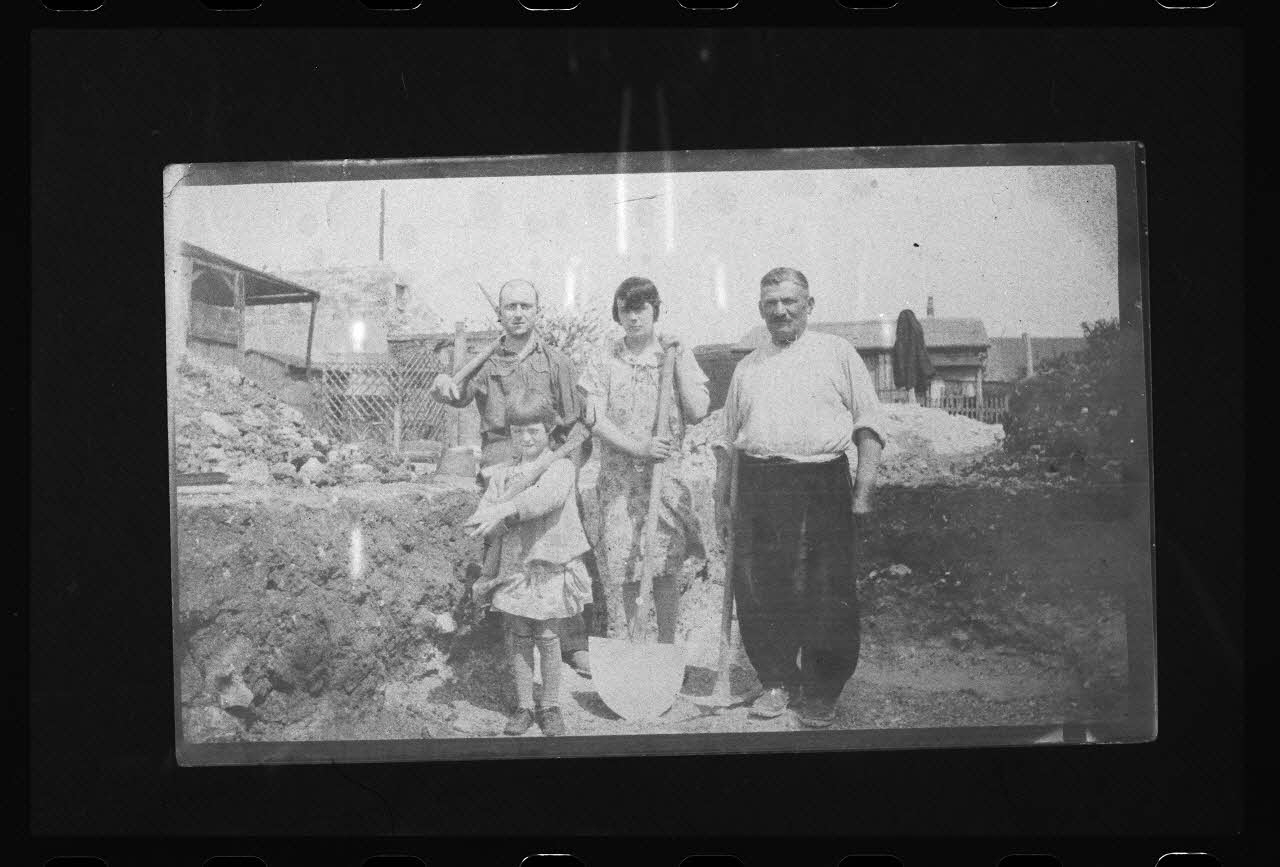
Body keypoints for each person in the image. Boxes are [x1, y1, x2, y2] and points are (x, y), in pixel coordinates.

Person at [711, 267, 887, 728]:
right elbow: (727, 441)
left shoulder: (837, 353)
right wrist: (720, 500)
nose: (781, 310)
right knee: (760, 587)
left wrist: (863, 491)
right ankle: (775, 681)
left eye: (790, 301)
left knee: (826, 591)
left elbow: (869, 424)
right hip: (758, 484)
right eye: (771, 303)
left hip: (821, 483)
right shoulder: (748, 366)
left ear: (810, 305)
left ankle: (822, 690)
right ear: (760, 309)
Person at [430, 279, 595, 676]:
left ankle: (572, 640)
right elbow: (454, 394)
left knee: (563, 546)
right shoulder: (486, 362)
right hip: (502, 459)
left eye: (525, 306)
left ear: (538, 312)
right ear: (499, 314)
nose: (518, 313)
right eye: (510, 307)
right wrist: (440, 388)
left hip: (550, 459)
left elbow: (574, 428)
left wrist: (563, 471)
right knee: (502, 544)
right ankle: (506, 637)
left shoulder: (557, 362)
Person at [578, 277, 710, 642]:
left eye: (641, 309)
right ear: (617, 313)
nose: (633, 318)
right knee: (624, 565)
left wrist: (678, 359)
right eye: (625, 310)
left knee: (665, 564)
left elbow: (698, 410)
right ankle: (629, 642)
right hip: (619, 479)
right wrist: (638, 448)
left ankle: (666, 644)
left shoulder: (675, 354)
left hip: (665, 479)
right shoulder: (605, 356)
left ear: (655, 310)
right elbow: (593, 417)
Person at [464, 392, 592, 737]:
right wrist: (484, 515)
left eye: (534, 430)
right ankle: (524, 706)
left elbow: (542, 500)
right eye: (518, 432)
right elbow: (486, 507)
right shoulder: (503, 474)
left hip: (548, 563)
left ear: (549, 430)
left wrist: (505, 510)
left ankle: (549, 705)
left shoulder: (561, 467)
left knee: (548, 635)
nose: (526, 438)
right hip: (514, 566)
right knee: (519, 634)